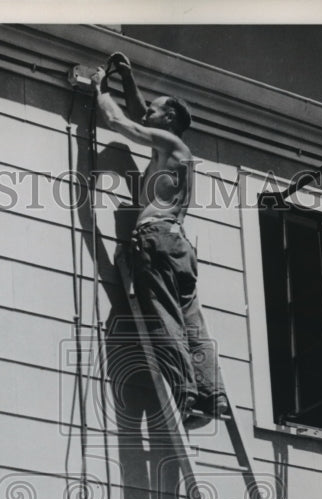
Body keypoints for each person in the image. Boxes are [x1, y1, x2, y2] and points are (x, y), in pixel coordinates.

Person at [93, 52, 228, 424]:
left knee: (165, 319)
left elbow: (120, 120)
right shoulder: (174, 149)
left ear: (169, 118)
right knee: (191, 322)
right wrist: (128, 77)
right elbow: (140, 114)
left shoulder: (169, 145)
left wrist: (100, 87)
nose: (147, 111)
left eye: (155, 109)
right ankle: (212, 396)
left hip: (155, 240)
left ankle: (184, 393)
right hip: (179, 246)